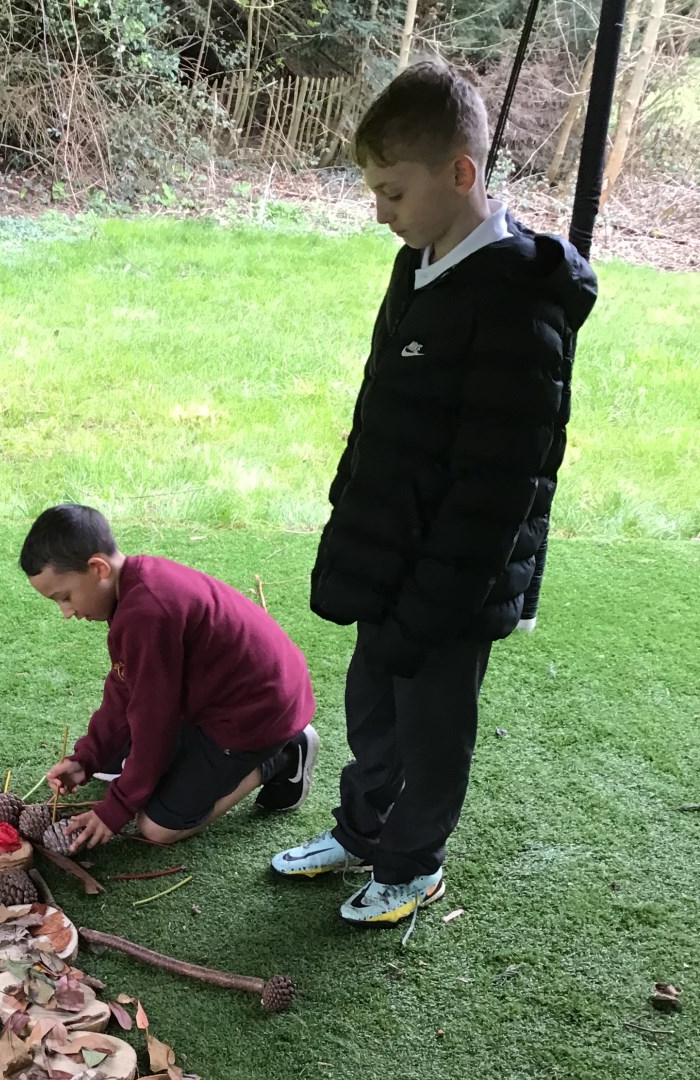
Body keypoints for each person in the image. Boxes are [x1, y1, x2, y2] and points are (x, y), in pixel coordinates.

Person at [272, 61, 597, 926]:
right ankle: (362, 828)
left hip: (454, 580)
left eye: (393, 191)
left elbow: (500, 484)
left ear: (462, 174)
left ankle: (412, 864)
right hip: (391, 552)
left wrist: (434, 597)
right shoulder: (419, 260)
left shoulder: (521, 306)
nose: (378, 211)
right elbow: (383, 410)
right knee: (370, 706)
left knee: (430, 729)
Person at [20, 503, 318, 850]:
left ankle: (280, 755)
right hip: (227, 694)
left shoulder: (146, 614)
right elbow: (125, 688)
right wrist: (87, 758)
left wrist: (115, 808)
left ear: (98, 568)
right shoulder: (133, 586)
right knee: (121, 762)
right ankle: (251, 748)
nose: (66, 613)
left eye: (65, 597)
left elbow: (153, 721)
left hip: (257, 714)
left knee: (156, 826)